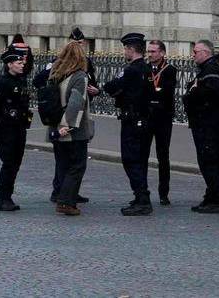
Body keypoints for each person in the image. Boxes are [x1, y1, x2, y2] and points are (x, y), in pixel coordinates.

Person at [98, 32, 155, 215]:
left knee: (131, 159)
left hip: (132, 120)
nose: (124, 52)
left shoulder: (132, 69)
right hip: (144, 120)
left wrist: (110, 90)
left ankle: (142, 199)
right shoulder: (146, 68)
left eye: (125, 48)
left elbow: (113, 86)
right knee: (140, 160)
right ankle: (141, 196)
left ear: (131, 49)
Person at [183, 40, 219, 212]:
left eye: (195, 51)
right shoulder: (206, 70)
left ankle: (217, 199)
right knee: (206, 161)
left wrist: (192, 93)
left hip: (208, 123)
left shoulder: (211, 70)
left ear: (205, 52)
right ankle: (211, 196)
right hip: (203, 122)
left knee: (208, 161)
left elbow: (209, 94)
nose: (193, 55)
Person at [49, 40, 94, 216]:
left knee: (62, 164)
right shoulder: (79, 76)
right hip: (72, 131)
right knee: (77, 166)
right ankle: (66, 202)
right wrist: (66, 126)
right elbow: (76, 103)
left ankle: (61, 195)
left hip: (55, 126)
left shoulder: (55, 73)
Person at [0, 49, 33, 212]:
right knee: (9, 163)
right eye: (19, 63)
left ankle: (8, 196)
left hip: (20, 127)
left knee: (16, 163)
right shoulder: (2, 82)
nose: (22, 65)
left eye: (23, 63)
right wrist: (5, 119)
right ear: (10, 65)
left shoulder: (21, 80)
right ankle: (3, 199)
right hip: (6, 130)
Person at [144, 40, 178, 205]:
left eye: (153, 51)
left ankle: (164, 193)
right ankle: (142, 192)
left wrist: (152, 92)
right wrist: (154, 91)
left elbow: (166, 91)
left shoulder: (170, 70)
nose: (150, 54)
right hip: (147, 117)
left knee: (163, 156)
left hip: (163, 118)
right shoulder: (144, 68)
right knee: (142, 154)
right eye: (149, 51)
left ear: (162, 53)